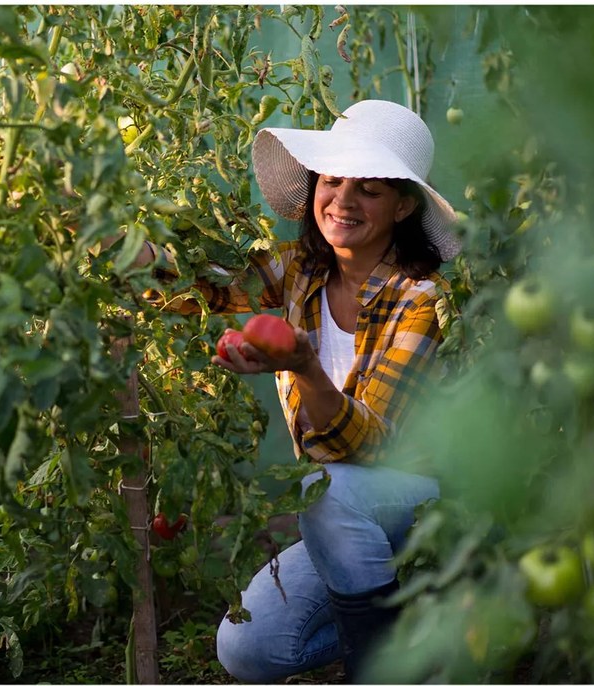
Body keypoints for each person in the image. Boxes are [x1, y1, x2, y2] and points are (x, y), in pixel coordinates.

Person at [121, 99, 461, 683]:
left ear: (404, 206)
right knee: (249, 648)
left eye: (370, 189)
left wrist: (303, 363)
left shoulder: (421, 298)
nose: (344, 201)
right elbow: (200, 288)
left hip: (419, 501)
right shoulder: (301, 272)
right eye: (332, 180)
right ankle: (418, 624)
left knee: (327, 487)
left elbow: (367, 447)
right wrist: (117, 244)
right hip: (341, 504)